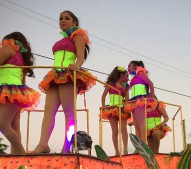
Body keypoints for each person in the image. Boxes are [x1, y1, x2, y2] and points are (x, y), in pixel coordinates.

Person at [32, 10, 95, 154]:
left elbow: (80, 57)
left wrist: (76, 66)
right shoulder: (61, 40)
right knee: (49, 111)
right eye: (60, 18)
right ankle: (43, 145)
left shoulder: (77, 36)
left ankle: (67, 147)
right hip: (54, 76)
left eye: (67, 18)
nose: (62, 21)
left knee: (69, 113)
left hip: (67, 75)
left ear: (74, 22)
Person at [0, 32, 40, 154]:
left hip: (7, 90)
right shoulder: (20, 57)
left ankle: (21, 154)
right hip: (18, 91)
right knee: (14, 126)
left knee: (2, 124)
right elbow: (22, 79)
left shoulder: (8, 46)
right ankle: (16, 157)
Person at [101, 66, 130, 156]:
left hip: (122, 109)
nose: (128, 78)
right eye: (126, 76)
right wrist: (104, 107)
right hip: (112, 109)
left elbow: (127, 100)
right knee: (115, 131)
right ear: (121, 75)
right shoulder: (111, 83)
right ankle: (117, 151)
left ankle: (125, 150)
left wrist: (127, 91)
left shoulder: (125, 86)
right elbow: (103, 96)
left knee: (123, 129)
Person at [125, 61, 156, 143]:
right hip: (134, 101)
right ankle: (139, 145)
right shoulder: (135, 76)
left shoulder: (141, 73)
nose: (127, 68)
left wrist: (152, 97)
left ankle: (144, 143)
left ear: (135, 66)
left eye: (129, 66)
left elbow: (151, 84)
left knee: (141, 123)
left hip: (140, 100)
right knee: (136, 124)